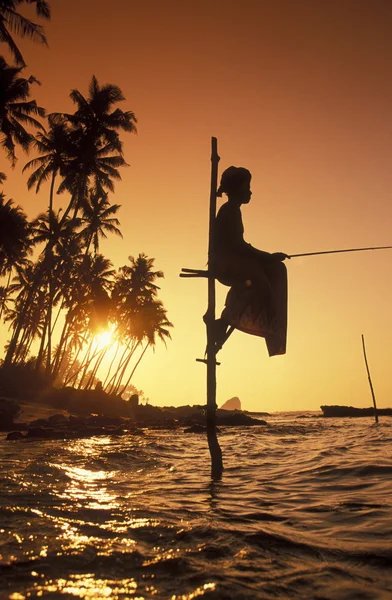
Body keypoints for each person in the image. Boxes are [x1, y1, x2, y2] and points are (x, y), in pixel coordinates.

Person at [211, 166, 289, 356]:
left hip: (232, 261)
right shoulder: (230, 211)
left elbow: (240, 246)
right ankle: (226, 320)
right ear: (238, 189)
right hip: (226, 263)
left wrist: (267, 258)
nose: (250, 191)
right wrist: (267, 256)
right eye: (247, 187)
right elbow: (238, 245)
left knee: (268, 275)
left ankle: (226, 320)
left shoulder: (232, 210)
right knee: (261, 283)